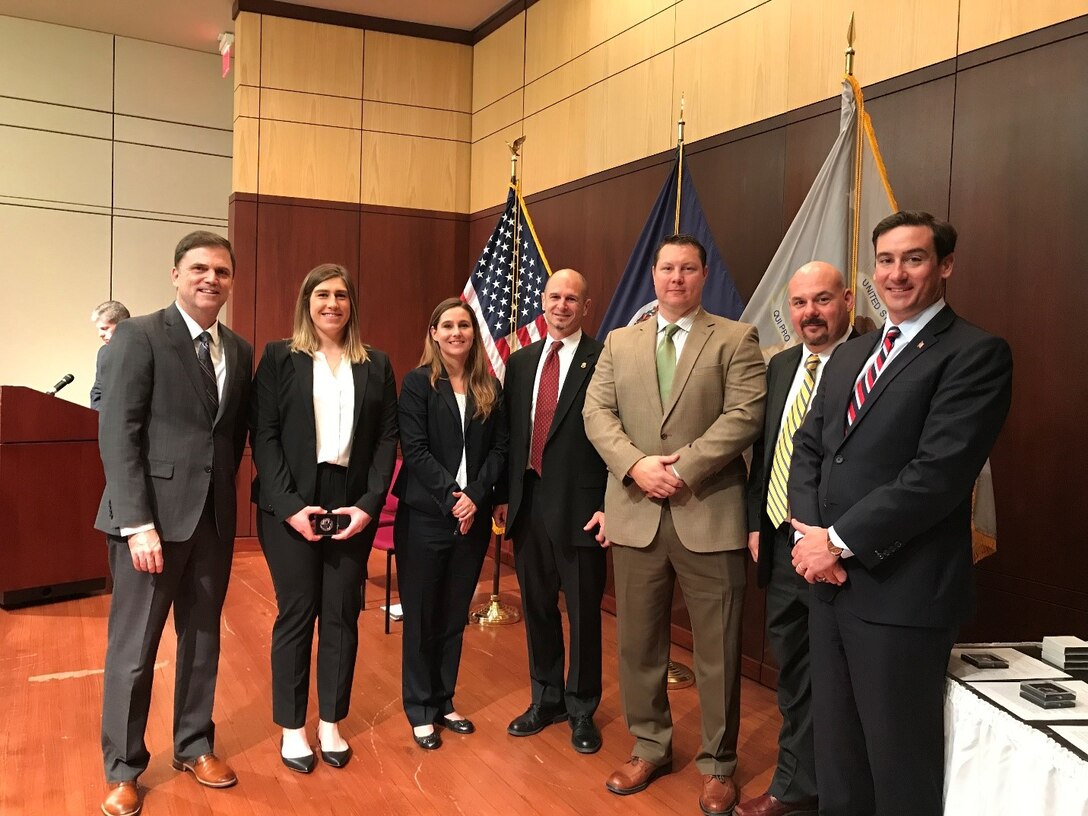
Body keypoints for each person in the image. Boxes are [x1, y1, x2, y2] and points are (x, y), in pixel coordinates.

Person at [788, 211, 1013, 816]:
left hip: (902, 595)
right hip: (828, 589)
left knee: (898, 764)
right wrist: (812, 540)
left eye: (913, 258)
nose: (896, 273)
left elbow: (936, 478)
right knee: (838, 757)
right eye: (885, 260)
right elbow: (811, 448)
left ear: (944, 266)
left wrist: (834, 542)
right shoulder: (849, 354)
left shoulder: (975, 355)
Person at [583, 234, 766, 816]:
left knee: (717, 647)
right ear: (654, 275)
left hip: (708, 512)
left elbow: (745, 416)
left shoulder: (736, 338)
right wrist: (637, 465)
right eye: (667, 268)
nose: (676, 278)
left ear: (703, 274)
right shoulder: (619, 341)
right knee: (638, 643)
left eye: (688, 268)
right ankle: (650, 745)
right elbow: (596, 412)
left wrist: (681, 469)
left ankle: (717, 764)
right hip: (635, 514)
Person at [96, 231, 252, 816]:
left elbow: (228, 437)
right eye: (199, 269)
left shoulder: (237, 348)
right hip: (150, 525)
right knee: (133, 652)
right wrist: (137, 523)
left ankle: (193, 743)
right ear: (175, 275)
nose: (211, 279)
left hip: (211, 522)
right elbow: (118, 436)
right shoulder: (138, 336)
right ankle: (124, 767)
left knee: (203, 640)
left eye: (222, 271)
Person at [250, 264, 398, 774]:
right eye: (321, 295)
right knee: (298, 613)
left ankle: (331, 722)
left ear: (352, 304)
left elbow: (385, 440)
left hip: (350, 501)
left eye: (341, 295)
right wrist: (290, 507)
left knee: (341, 614)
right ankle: (293, 728)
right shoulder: (277, 357)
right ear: (306, 302)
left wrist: (369, 504)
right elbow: (263, 437)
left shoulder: (376, 364)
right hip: (290, 499)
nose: (331, 303)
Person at [737, 262, 856, 816]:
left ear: (849, 301)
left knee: (842, 675)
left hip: (843, 552)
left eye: (823, 300)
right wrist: (760, 520)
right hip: (783, 543)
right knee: (795, 669)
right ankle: (799, 781)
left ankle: (821, 787)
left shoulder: (872, 362)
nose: (810, 313)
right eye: (800, 303)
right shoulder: (783, 363)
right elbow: (768, 450)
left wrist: (835, 541)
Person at [493, 269, 609, 755]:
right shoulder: (520, 362)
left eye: (572, 299)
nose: (561, 306)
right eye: (554, 296)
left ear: (586, 307)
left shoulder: (604, 359)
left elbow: (617, 436)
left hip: (583, 508)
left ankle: (582, 708)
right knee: (538, 607)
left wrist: (609, 505)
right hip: (529, 502)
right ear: (542, 301)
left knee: (583, 613)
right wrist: (502, 494)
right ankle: (547, 698)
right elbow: (508, 434)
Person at [392, 297, 508, 750]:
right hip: (425, 515)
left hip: (472, 518)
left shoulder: (489, 387)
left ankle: (443, 699)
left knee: (454, 614)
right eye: (448, 325)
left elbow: (501, 449)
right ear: (434, 334)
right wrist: (452, 497)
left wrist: (475, 497)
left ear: (472, 335)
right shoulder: (418, 384)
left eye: (464, 325)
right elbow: (414, 449)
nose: (457, 332)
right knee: (422, 615)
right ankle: (420, 708)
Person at [89, 300, 130, 410]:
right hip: (107, 420)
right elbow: (98, 390)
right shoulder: (103, 352)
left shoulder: (144, 349)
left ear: (123, 325)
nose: (100, 334)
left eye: (105, 328)